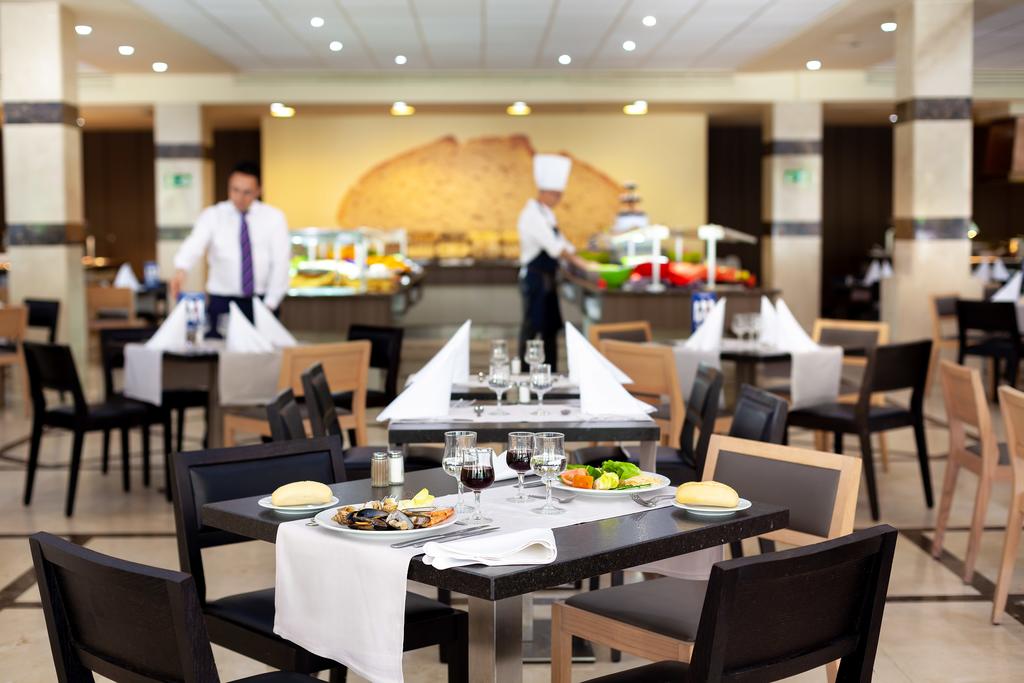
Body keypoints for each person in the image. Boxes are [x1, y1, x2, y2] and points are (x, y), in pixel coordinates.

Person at [169, 161, 291, 335]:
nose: (240, 198)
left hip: (262, 302)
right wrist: (181, 270)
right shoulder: (213, 215)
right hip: (222, 301)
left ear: (258, 190)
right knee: (218, 349)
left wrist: (271, 303)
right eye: (235, 190)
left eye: (247, 192)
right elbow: (194, 244)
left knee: (264, 351)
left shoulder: (274, 218)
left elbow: (281, 263)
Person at [517, 154, 587, 372]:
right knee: (533, 327)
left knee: (549, 329)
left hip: (547, 280)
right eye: (556, 195)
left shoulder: (547, 213)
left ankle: (551, 373)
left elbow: (563, 242)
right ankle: (526, 375)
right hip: (535, 280)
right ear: (544, 192)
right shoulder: (531, 215)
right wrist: (583, 264)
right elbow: (555, 247)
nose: (559, 199)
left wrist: (582, 257)